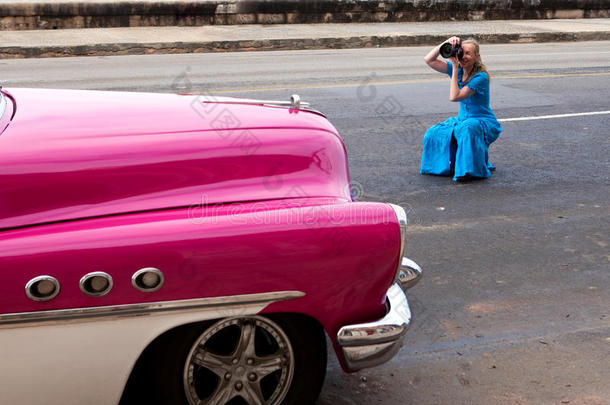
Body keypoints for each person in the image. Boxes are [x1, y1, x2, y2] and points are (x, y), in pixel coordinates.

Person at [420, 37, 502, 181]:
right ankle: (444, 167)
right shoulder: (456, 69)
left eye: (468, 54)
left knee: (468, 128)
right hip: (462, 120)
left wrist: (456, 67)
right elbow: (429, 59)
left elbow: (455, 96)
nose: (463, 57)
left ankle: (469, 170)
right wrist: (447, 43)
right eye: (461, 53)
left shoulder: (480, 77)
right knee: (434, 132)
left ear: (477, 57)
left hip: (482, 121)